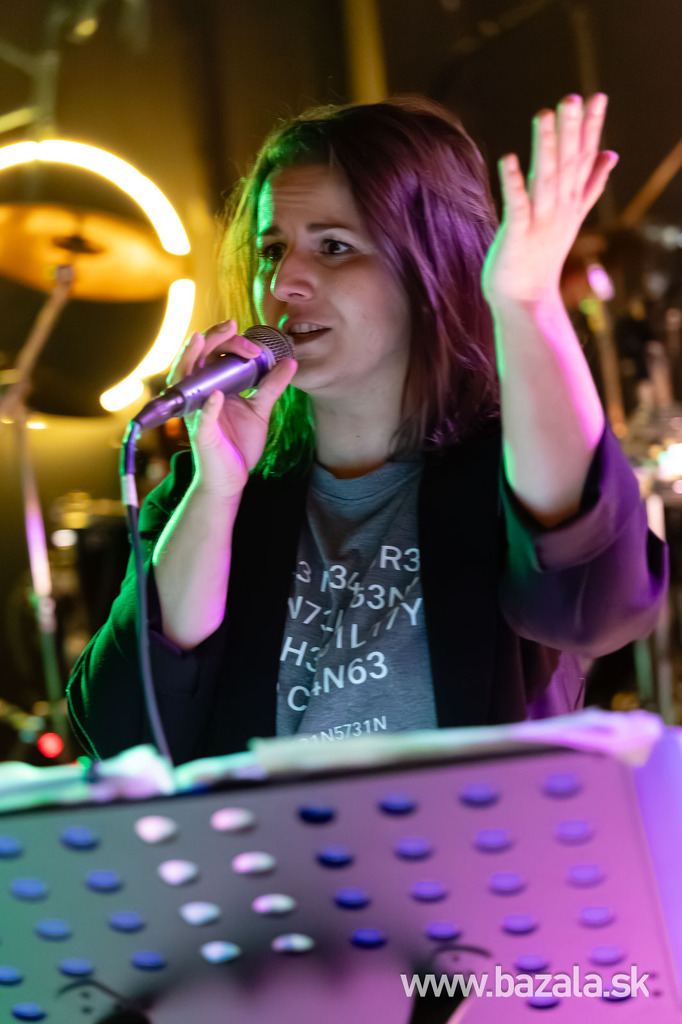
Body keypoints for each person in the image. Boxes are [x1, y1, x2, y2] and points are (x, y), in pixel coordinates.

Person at [67, 94, 667, 765]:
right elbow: (124, 732)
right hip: (270, 837)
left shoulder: (510, 469)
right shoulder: (214, 489)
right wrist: (216, 495)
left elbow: (598, 610)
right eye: (272, 248)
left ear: (428, 269)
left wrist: (526, 303)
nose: (284, 282)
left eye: (333, 246)